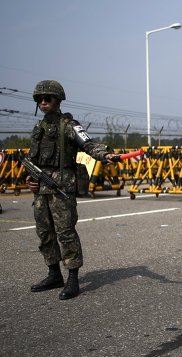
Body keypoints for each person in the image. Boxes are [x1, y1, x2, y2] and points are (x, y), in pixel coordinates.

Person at [26, 80, 116, 300]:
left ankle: (73, 278)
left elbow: (89, 144)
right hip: (41, 190)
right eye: (40, 99)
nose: (43, 102)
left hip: (61, 188)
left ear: (58, 100)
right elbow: (32, 158)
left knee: (65, 233)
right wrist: (28, 177)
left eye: (48, 98)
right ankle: (54, 273)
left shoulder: (69, 125)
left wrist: (106, 155)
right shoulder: (38, 128)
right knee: (44, 234)